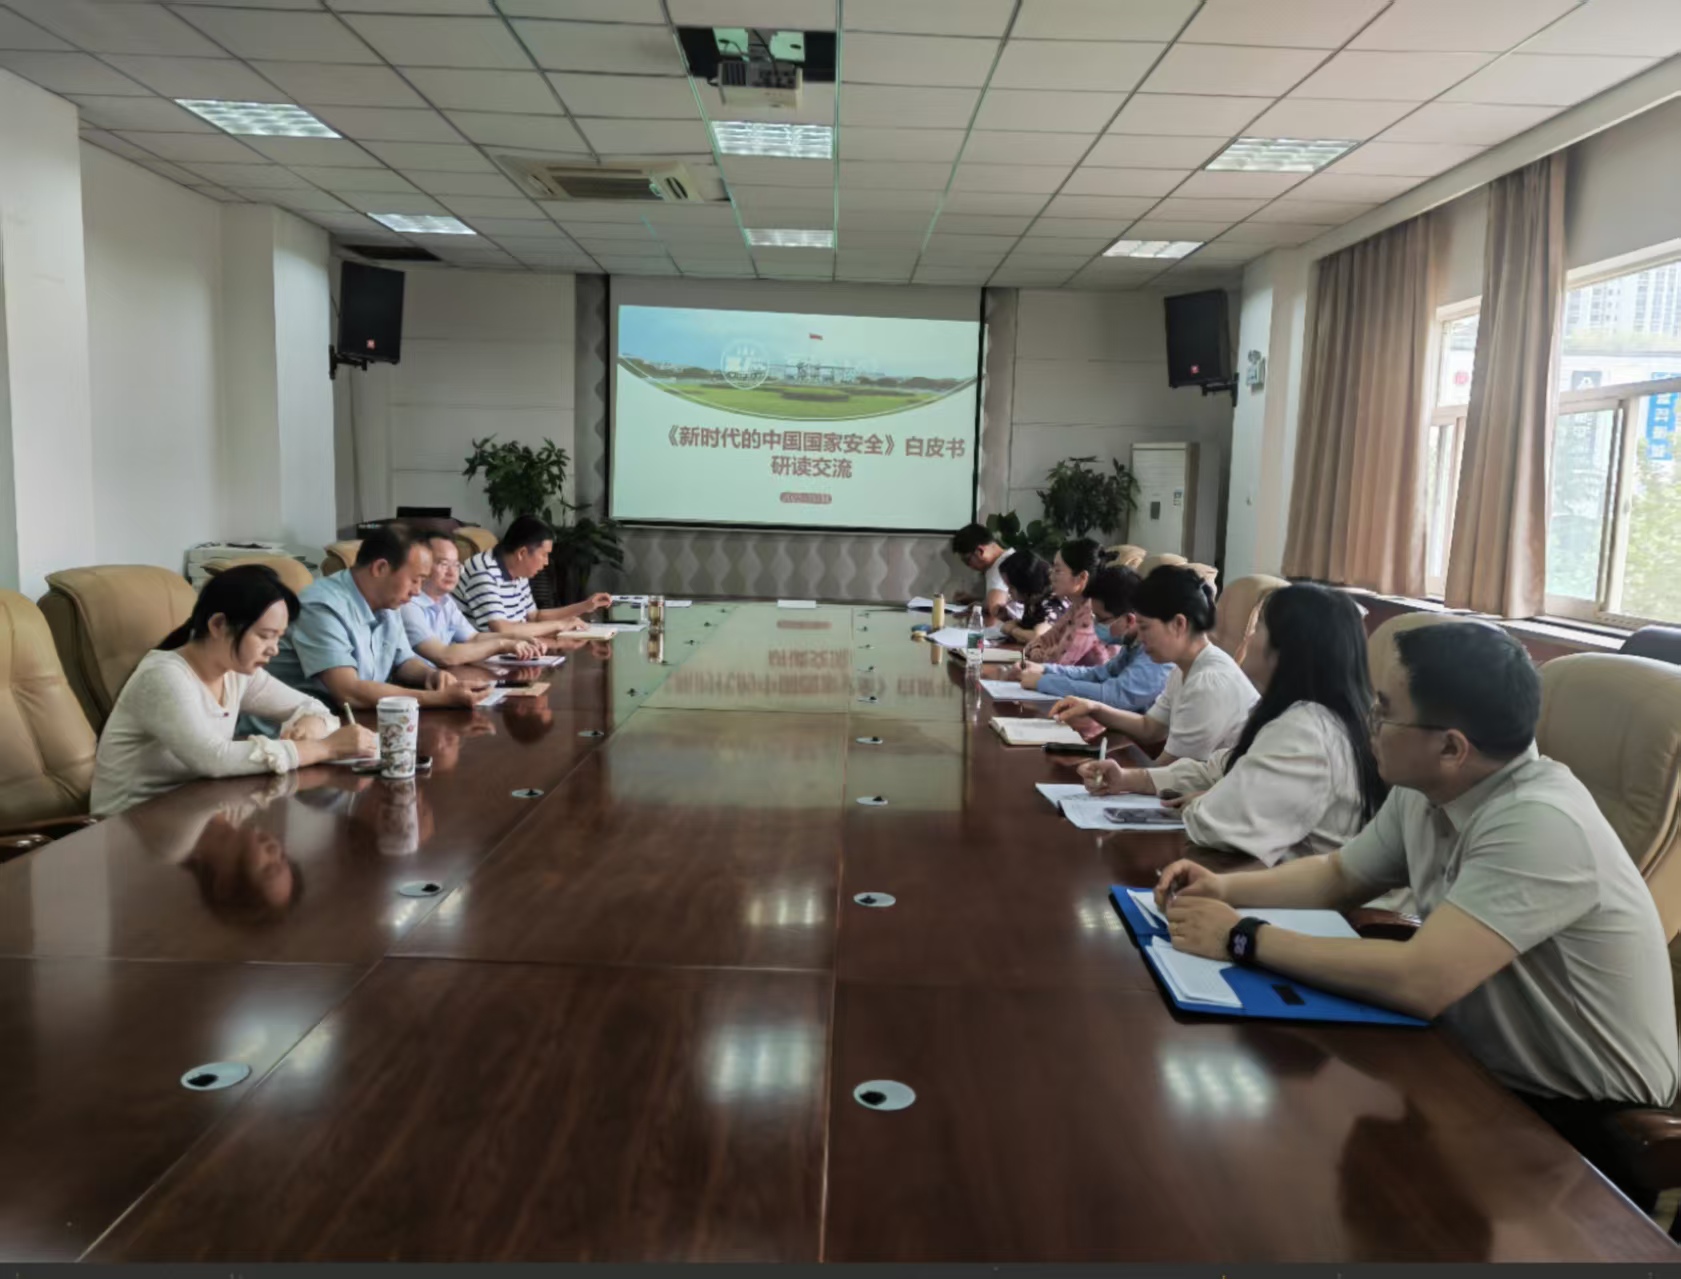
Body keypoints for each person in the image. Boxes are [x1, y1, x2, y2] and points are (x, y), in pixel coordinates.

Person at [1154, 622, 1679, 1179]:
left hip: (1582, 1127)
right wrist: (1224, 888)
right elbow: (1339, 875)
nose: (1371, 724)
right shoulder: (1430, 787)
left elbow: (1419, 981)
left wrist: (1242, 937)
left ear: (1451, 747)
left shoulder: (1540, 821)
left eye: (1385, 712)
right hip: (1472, 1068)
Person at [1076, 584, 1386, 866]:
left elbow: (1216, 826)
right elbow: (1221, 768)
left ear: (1288, 647)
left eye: (1259, 626)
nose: (1248, 637)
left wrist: (1207, 800)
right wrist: (1129, 779)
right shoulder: (1297, 715)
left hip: (1298, 899)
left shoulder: (1308, 730)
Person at [91, 565, 379, 816]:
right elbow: (214, 758)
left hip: (197, 811)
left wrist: (311, 725)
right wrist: (325, 747)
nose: (274, 649)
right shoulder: (163, 677)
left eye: (278, 637)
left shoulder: (235, 672)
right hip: (133, 826)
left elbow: (311, 706)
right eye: (265, 636)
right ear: (218, 625)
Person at [1051, 564, 1256, 763]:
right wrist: (1093, 708)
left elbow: (1170, 772)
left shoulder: (1207, 682)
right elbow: (1150, 729)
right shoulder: (1183, 669)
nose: (1140, 638)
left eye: (1145, 627)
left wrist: (1119, 777)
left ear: (1178, 624)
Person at [267, 523, 486, 710]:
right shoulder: (321, 606)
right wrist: (437, 699)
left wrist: (431, 675)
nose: (417, 591)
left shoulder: (388, 601)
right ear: (381, 568)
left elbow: (404, 661)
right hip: (293, 731)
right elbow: (348, 692)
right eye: (415, 580)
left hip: (354, 721)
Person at [1011, 564, 1173, 713]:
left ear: (1129, 620)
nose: (1095, 625)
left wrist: (1045, 682)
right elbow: (1099, 674)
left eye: (1101, 619)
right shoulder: (1131, 643)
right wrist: (1046, 670)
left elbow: (1117, 696)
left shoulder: (1156, 651)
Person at [455, 514, 613, 638]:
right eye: (544, 555)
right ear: (522, 553)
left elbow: (534, 617)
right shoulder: (483, 572)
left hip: (513, 648)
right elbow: (502, 630)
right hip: (482, 658)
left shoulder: (517, 569)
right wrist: (559, 625)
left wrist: (585, 606)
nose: (546, 562)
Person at [402, 534, 545, 667]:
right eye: (443, 564)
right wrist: (503, 644)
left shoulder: (446, 601)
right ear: (423, 564)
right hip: (418, 681)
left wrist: (517, 638)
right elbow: (444, 655)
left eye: (456, 565)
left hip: (441, 676)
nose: (452, 572)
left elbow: (473, 637)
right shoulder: (408, 604)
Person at [1020, 537, 1113, 668]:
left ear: (1081, 577)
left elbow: (1058, 664)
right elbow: (1041, 641)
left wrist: (1040, 654)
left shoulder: (1090, 615)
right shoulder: (1076, 607)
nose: (1051, 576)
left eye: (1058, 570)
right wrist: (1039, 650)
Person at [996, 551, 1066, 645]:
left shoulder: (1052, 601)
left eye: (1011, 587)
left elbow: (1039, 637)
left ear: (1025, 584)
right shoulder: (1032, 600)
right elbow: (1030, 625)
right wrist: (1007, 618)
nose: (1009, 592)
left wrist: (1013, 630)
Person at [950, 523, 1014, 623]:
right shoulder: (1011, 557)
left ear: (980, 551)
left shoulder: (1000, 569)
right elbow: (1006, 601)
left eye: (967, 561)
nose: (970, 566)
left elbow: (993, 618)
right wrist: (975, 601)